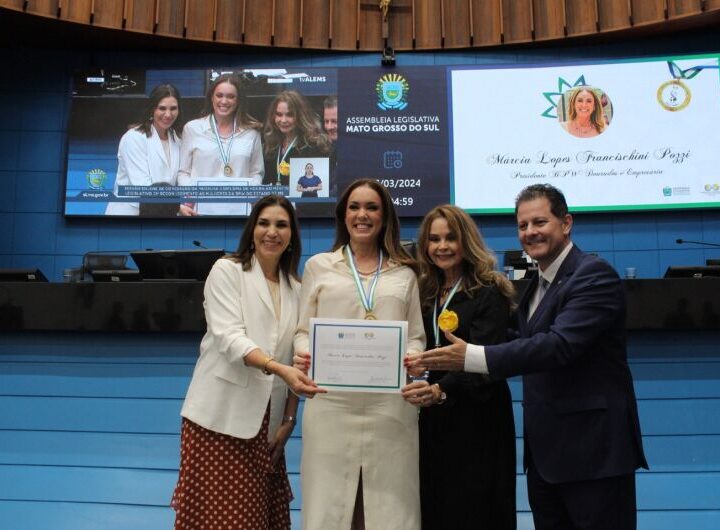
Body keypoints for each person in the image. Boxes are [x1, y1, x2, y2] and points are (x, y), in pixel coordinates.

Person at [409, 184, 647, 530]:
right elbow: (520, 340)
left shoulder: (593, 275)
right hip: (546, 458)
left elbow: (557, 345)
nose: (530, 233)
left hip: (594, 454)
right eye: (523, 225)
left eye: (540, 222)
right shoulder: (537, 284)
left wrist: (472, 356)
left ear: (566, 223)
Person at [171, 195, 325, 530]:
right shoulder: (227, 271)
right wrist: (277, 367)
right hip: (218, 421)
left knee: (256, 520)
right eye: (264, 223)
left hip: (268, 427)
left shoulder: (297, 288)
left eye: (281, 225)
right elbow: (229, 338)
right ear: (251, 229)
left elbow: (301, 356)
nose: (272, 232)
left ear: (292, 235)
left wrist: (289, 418)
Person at [293, 179, 426, 529]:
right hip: (331, 405)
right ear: (343, 215)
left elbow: (416, 337)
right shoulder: (319, 267)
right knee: (329, 507)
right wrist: (307, 354)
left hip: (390, 409)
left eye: (371, 207)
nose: (362, 215)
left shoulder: (405, 272)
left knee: (390, 509)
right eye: (354, 207)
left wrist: (410, 357)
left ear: (385, 217)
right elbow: (302, 332)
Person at [400, 205, 517, 529]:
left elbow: (486, 361)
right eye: (434, 239)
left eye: (451, 238)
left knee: (477, 507)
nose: (442, 246)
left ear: (466, 240)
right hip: (434, 416)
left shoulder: (489, 289)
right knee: (436, 504)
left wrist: (440, 389)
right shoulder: (424, 292)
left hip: (479, 416)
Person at [177, 74, 264, 216]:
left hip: (239, 211)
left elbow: (257, 173)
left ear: (238, 100)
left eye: (231, 96)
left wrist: (249, 195)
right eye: (219, 95)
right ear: (212, 97)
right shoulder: (192, 129)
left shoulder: (252, 133)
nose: (224, 101)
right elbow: (183, 172)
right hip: (199, 210)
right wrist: (193, 195)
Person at [105, 84, 182, 216]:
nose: (168, 114)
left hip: (162, 214)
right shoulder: (134, 138)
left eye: (173, 108)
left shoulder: (177, 138)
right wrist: (178, 207)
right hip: (129, 214)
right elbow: (142, 186)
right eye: (162, 108)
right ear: (152, 109)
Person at [262, 90, 330, 186]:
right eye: (279, 114)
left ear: (301, 116)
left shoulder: (313, 146)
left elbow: (317, 188)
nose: (283, 120)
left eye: (289, 115)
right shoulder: (270, 145)